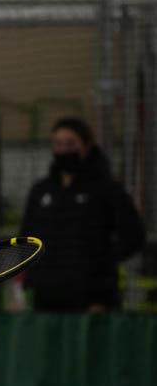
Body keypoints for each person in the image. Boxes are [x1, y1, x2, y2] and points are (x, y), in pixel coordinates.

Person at [20, 118, 145, 312]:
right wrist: (28, 282)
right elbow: (26, 238)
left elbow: (133, 237)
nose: (63, 150)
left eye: (70, 143)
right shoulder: (41, 190)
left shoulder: (106, 188)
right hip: (46, 297)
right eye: (58, 144)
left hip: (91, 299)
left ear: (86, 146)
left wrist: (101, 270)